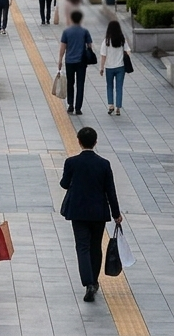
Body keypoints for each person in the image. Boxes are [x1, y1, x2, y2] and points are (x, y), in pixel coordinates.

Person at [60, 127, 122, 303]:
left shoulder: (71, 162)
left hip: (78, 211)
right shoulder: (104, 164)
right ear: (95, 142)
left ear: (79, 142)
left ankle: (88, 283)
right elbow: (110, 191)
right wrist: (116, 213)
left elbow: (64, 184)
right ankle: (94, 280)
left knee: (82, 246)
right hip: (98, 212)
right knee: (95, 246)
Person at [59, 10, 94, 115]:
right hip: (81, 61)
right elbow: (90, 45)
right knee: (80, 84)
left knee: (70, 83)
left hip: (69, 61)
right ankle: (78, 108)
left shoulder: (66, 32)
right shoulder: (85, 31)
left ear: (72, 19)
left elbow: (63, 47)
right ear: (80, 19)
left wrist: (60, 60)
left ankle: (70, 105)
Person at [99, 20, 131, 116]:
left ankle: (110, 105)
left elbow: (103, 55)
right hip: (120, 67)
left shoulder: (106, 41)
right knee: (119, 87)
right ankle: (118, 108)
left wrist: (101, 68)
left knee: (109, 86)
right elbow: (128, 51)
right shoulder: (122, 40)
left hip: (109, 67)